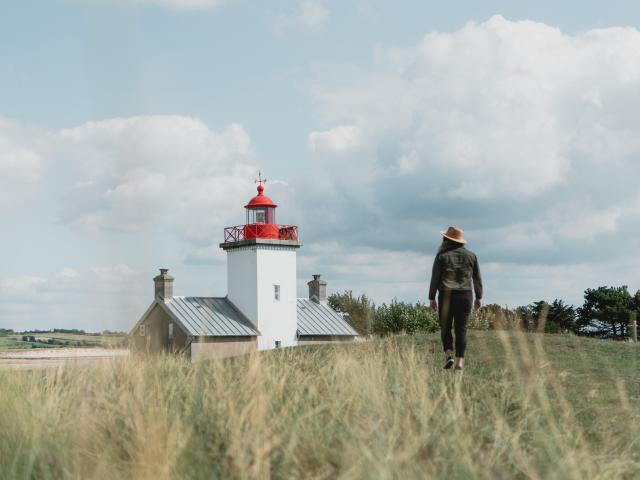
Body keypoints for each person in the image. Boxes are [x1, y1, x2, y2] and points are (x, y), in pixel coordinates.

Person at [428, 226, 483, 371]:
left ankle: (448, 355)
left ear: (446, 240)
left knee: (445, 327)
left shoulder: (442, 256)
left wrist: (432, 298)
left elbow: (435, 277)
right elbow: (477, 278)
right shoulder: (472, 256)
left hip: (446, 294)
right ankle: (460, 362)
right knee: (461, 329)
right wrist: (479, 297)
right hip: (465, 295)